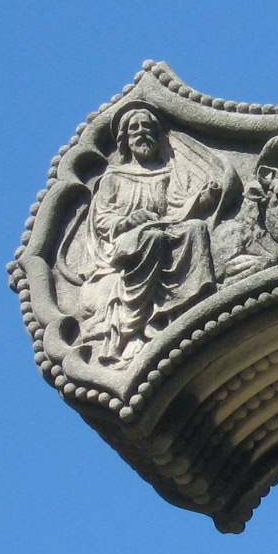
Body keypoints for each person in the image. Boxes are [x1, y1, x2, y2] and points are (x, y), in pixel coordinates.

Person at [67, 105, 222, 365]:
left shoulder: (166, 173)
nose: (142, 133)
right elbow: (102, 220)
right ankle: (136, 324)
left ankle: (186, 308)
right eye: (135, 129)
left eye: (148, 128)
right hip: (125, 241)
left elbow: (177, 209)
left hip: (161, 229)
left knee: (195, 229)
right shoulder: (114, 176)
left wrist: (202, 200)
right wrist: (128, 220)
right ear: (125, 140)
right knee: (153, 239)